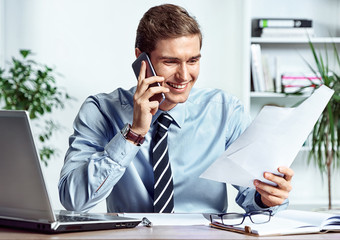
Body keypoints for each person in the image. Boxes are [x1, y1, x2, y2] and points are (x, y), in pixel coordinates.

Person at [58, 4, 294, 213]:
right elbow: (74, 200)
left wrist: (267, 198)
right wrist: (134, 133)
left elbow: (252, 195)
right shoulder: (101, 110)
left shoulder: (225, 112)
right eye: (170, 62)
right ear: (141, 60)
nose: (184, 76)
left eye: (192, 61)